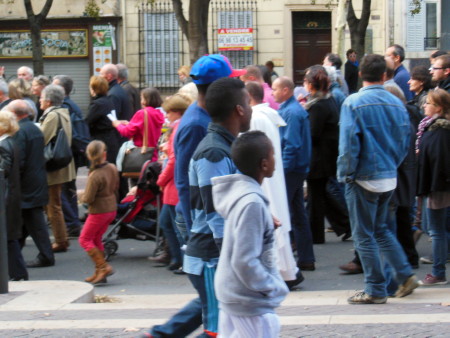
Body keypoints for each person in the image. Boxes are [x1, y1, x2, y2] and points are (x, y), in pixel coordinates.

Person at [337, 54, 418, 304]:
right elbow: (406, 141)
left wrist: (346, 174)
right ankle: (403, 274)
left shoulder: (353, 102)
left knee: (364, 234)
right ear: (385, 75)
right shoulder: (396, 103)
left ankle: (375, 288)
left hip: (363, 177)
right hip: (388, 176)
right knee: (381, 229)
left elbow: (349, 144)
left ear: (361, 74)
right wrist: (391, 165)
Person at [184, 77, 252, 337]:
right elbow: (216, 214)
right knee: (217, 330)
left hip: (214, 255)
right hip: (211, 258)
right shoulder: (214, 152)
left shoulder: (226, 146)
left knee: (225, 327)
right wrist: (233, 259)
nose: (252, 107)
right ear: (239, 110)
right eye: (248, 101)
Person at [212, 131, 289, 337]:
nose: (275, 160)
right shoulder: (252, 203)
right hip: (246, 299)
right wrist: (272, 286)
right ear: (264, 164)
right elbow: (244, 261)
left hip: (235, 293)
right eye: (273, 155)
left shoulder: (246, 197)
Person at [245, 81, 303, 289]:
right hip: (270, 175)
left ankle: (278, 271)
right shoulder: (266, 115)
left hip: (263, 177)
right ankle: (285, 270)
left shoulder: (255, 118)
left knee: (270, 222)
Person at [272, 76, 315, 271]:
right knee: (298, 214)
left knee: (283, 213)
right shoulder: (292, 110)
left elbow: (292, 145)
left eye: (275, 89)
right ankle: (306, 258)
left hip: (292, 170)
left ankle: (287, 260)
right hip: (297, 169)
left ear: (285, 91)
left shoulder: (290, 112)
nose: (272, 93)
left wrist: (283, 170)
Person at [304, 65, 350, 243]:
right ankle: (345, 224)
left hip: (319, 159)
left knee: (316, 197)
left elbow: (313, 133)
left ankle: (316, 234)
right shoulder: (326, 101)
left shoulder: (318, 105)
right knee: (322, 194)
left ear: (310, 85)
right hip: (325, 157)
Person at [7, 100, 54, 268]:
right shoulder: (34, 128)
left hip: (26, 184)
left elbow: (19, 159)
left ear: (14, 114)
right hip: (36, 180)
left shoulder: (20, 131)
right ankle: (12, 255)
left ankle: (46, 255)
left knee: (33, 222)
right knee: (26, 221)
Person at [152, 94, 190, 270]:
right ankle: (177, 258)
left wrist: (160, 179)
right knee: (168, 222)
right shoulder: (178, 127)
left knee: (174, 225)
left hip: (173, 185)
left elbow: (174, 160)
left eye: (168, 113)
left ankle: (182, 260)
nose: (166, 116)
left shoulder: (177, 129)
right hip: (173, 185)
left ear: (176, 112)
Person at [416, 89, 450, 285]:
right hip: (436, 186)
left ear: (439, 107)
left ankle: (438, 272)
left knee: (436, 230)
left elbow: (439, 162)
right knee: (438, 229)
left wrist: (432, 187)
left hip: (438, 187)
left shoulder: (440, 131)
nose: (424, 106)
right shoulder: (433, 128)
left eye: (428, 103)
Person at [39, 84, 76, 253]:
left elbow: (42, 138)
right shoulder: (63, 112)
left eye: (41, 98)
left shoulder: (52, 116)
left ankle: (61, 240)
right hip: (62, 165)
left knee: (53, 205)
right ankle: (62, 239)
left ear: (48, 101)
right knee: (55, 204)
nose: (39, 101)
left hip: (53, 167)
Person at [79, 140, 119, 284]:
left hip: (99, 210)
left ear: (89, 156)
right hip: (111, 208)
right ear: (104, 154)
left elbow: (88, 198)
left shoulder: (95, 175)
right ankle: (99, 271)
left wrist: (80, 196)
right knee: (96, 239)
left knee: (84, 239)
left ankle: (103, 267)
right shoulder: (112, 167)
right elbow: (116, 186)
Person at [53, 74, 87, 237]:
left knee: (64, 189)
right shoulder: (71, 105)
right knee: (68, 188)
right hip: (71, 153)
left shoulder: (66, 107)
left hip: (66, 154)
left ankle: (72, 222)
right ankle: (73, 221)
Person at [0, 110, 28, 281]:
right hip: (12, 195)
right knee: (10, 238)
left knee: (9, 239)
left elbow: (3, 172)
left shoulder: (3, 145)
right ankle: (17, 273)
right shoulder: (11, 143)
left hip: (6, 198)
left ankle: (18, 273)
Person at [113, 87, 164, 163]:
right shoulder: (159, 114)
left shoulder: (142, 113)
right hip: (153, 154)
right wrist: (129, 124)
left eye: (142, 98)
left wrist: (117, 124)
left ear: (145, 101)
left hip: (141, 155)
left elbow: (126, 132)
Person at [86, 75, 120, 164]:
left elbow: (87, 122)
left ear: (94, 89)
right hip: (111, 140)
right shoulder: (108, 101)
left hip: (101, 141)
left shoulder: (97, 104)